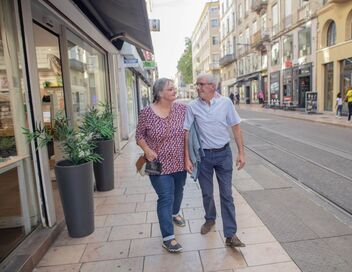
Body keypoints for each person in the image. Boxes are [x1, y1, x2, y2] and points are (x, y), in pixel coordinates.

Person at [183, 73, 246, 249]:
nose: (198, 87)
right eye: (197, 84)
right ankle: (210, 219)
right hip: (204, 157)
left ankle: (230, 234)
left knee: (226, 194)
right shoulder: (193, 106)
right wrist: (187, 158)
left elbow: (236, 127)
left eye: (201, 84)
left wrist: (241, 153)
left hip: (224, 154)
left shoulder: (226, 103)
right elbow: (186, 132)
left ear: (212, 86)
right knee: (207, 193)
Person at [136, 78, 187, 253]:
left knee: (178, 192)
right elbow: (139, 136)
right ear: (159, 93)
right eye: (170, 89)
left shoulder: (182, 109)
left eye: (174, 88)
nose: (174, 90)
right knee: (165, 197)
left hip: (180, 162)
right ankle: (168, 238)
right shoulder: (146, 113)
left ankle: (175, 213)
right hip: (157, 164)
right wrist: (147, 149)